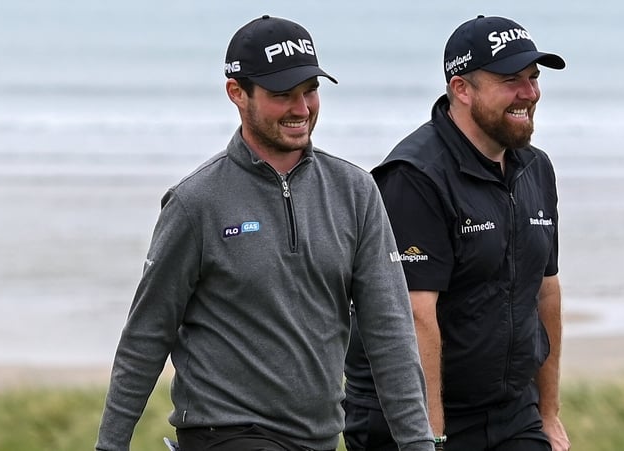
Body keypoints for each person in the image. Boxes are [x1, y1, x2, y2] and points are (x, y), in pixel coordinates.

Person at [95, 15, 434, 451]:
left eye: (310, 91)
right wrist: (111, 444)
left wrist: (418, 443)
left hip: (319, 437)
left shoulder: (355, 192)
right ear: (237, 93)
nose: (301, 108)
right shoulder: (195, 201)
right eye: (281, 95)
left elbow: (390, 331)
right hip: (225, 431)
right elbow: (147, 335)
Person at [343, 15, 570, 451]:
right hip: (409, 418)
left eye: (533, 78)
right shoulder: (414, 177)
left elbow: (546, 292)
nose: (530, 93)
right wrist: (431, 438)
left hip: (510, 413)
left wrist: (548, 413)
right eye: (511, 80)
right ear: (461, 88)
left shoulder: (534, 168)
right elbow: (416, 317)